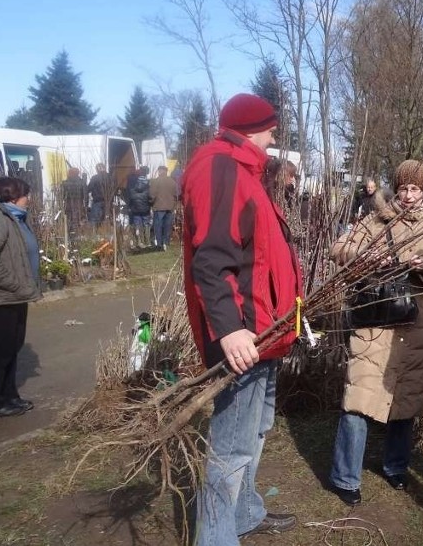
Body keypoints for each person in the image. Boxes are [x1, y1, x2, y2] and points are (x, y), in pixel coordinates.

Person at [181, 93, 303, 544]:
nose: (275, 135)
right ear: (254, 126)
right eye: (272, 127)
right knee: (230, 447)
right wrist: (231, 329)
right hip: (243, 335)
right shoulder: (221, 169)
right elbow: (212, 260)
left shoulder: (244, 169)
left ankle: (245, 513)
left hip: (264, 331)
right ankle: (215, 538)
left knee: (256, 431)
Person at [329, 160, 423, 506]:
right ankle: (344, 477)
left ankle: (396, 467)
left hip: (413, 325)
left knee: (405, 400)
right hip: (374, 322)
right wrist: (368, 256)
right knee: (358, 399)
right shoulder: (375, 218)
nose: (408, 195)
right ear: (395, 189)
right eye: (403, 188)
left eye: (415, 189)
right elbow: (338, 249)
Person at [0, 177, 42, 418]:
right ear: (12, 196)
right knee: (1, 352)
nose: (29, 199)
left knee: (12, 348)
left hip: (18, 296)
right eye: (26, 194)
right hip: (3, 298)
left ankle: (10, 395)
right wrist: (16, 285)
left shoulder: (18, 218)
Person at [149, 165, 178, 249]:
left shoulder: (155, 181)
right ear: (166, 171)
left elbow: (152, 195)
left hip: (158, 207)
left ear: (159, 171)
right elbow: (177, 194)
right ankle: (166, 242)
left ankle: (159, 243)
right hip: (170, 207)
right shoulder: (172, 182)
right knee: (167, 226)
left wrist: (151, 203)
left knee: (158, 226)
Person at [126, 166, 151, 248]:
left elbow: (130, 199)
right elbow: (150, 198)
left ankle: (139, 242)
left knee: (137, 225)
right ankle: (148, 241)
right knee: (146, 225)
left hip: (135, 209)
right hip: (145, 209)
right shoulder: (148, 187)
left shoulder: (132, 188)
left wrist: (130, 206)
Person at [87, 163, 114, 228]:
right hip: (108, 202)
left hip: (97, 201)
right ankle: (107, 233)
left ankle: (95, 234)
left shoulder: (95, 178)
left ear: (97, 169)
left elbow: (89, 189)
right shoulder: (110, 177)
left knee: (94, 220)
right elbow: (114, 189)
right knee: (107, 219)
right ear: (104, 168)